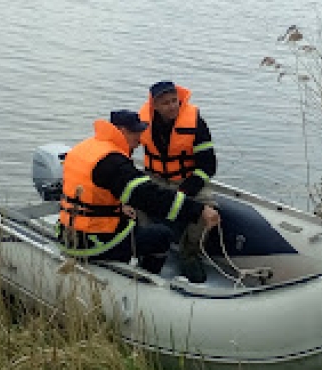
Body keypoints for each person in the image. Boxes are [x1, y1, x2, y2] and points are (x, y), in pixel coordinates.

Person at [58, 109, 220, 274]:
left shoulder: (88, 148)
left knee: (132, 218)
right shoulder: (113, 161)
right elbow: (150, 197)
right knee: (161, 235)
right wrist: (198, 210)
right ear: (121, 131)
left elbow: (92, 189)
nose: (140, 137)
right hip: (94, 242)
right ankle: (146, 276)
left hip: (68, 234)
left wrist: (120, 207)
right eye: (135, 132)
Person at [138, 80, 218, 283]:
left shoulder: (195, 123)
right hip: (156, 177)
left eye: (175, 101)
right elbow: (124, 148)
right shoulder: (143, 123)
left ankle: (190, 255)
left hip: (188, 179)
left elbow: (208, 166)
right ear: (154, 106)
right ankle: (146, 250)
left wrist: (185, 190)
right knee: (137, 201)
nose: (173, 106)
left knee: (206, 210)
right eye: (166, 103)